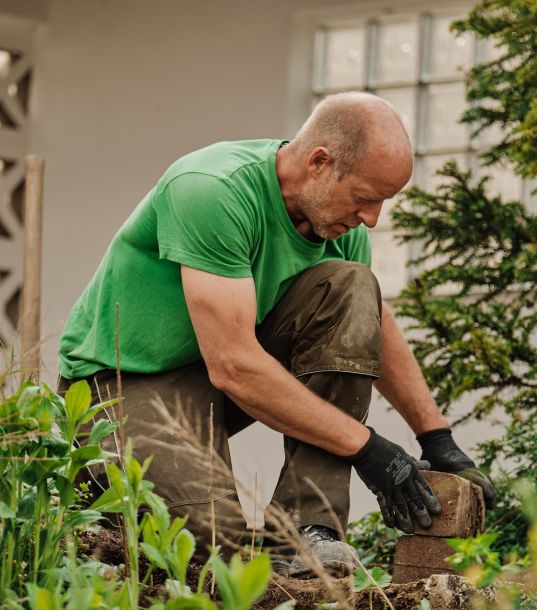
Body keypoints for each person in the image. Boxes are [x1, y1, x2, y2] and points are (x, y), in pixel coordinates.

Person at [58, 91, 496, 578]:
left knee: (351, 286)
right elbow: (234, 365)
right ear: (319, 162)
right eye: (366, 198)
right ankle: (105, 503)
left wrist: (437, 438)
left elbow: (371, 325)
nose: (372, 219)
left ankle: (309, 530)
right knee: (215, 557)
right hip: (124, 384)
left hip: (215, 384)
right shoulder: (212, 189)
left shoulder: (334, 224)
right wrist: (368, 448)